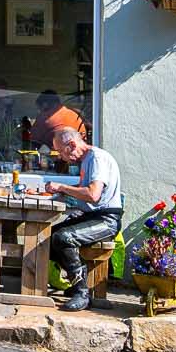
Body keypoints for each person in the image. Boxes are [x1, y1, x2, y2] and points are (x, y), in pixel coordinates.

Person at [41, 125, 123, 311]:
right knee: (46, 239)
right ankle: (80, 282)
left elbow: (93, 195)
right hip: (93, 215)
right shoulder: (87, 160)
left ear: (71, 144)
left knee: (63, 238)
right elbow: (85, 195)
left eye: (61, 151)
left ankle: (81, 292)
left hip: (106, 220)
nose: (61, 157)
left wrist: (62, 187)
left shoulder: (97, 158)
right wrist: (58, 196)